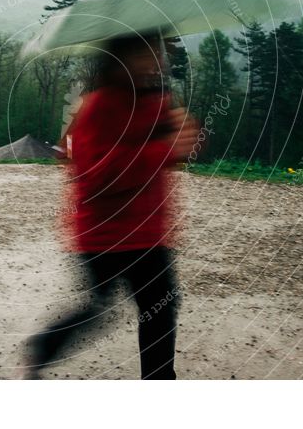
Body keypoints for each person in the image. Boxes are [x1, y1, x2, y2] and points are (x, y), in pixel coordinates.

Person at [20, 35, 198, 379]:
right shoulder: (98, 106)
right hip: (107, 234)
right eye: (146, 51)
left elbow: (163, 154)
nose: (157, 59)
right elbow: (97, 175)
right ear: (121, 57)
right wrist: (165, 150)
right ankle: (44, 346)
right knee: (99, 308)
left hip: (148, 231)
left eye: (158, 50)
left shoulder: (155, 101)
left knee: (159, 309)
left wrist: (184, 139)